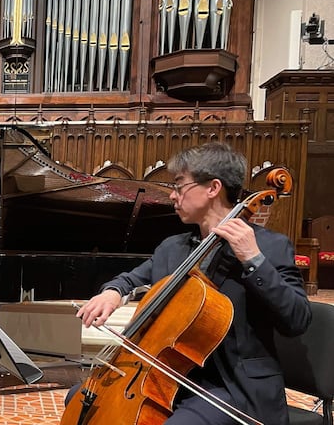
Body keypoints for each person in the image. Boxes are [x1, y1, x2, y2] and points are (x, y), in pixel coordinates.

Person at [68, 142, 311, 424]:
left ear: (212, 188)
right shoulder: (174, 248)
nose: (172, 195)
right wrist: (113, 291)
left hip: (234, 387)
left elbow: (298, 319)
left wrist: (253, 259)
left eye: (179, 186)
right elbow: (133, 278)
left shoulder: (269, 246)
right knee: (81, 398)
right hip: (176, 378)